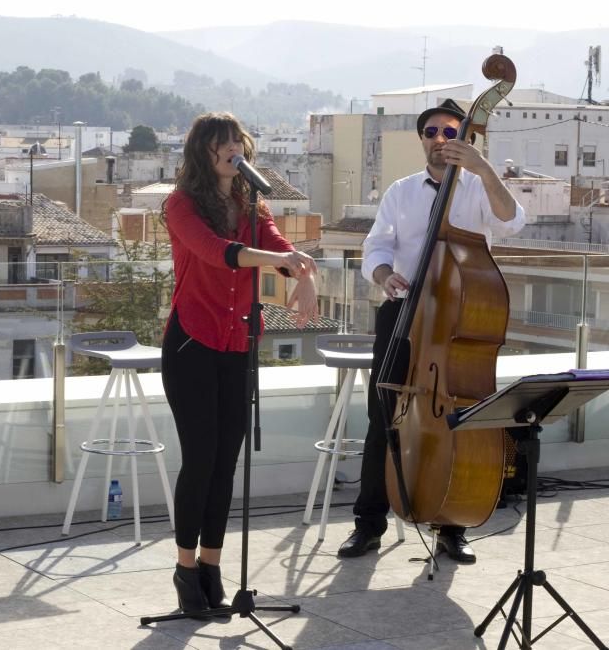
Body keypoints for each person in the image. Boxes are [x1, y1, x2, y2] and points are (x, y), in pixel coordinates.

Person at [338, 98, 526, 563]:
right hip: (402, 316)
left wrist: (483, 168)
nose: (441, 140)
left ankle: (450, 527)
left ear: (466, 137)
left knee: (456, 424)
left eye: (450, 132)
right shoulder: (401, 192)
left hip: (457, 326)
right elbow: (376, 249)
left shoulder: (479, 189)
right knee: (383, 420)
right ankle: (368, 525)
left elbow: (513, 220)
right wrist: (385, 277)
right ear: (421, 140)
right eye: (432, 132)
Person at [161, 112, 319, 614]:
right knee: (200, 458)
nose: (232, 149)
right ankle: (185, 571)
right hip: (191, 343)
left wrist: (304, 272)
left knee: (227, 462)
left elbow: (277, 248)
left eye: (237, 142)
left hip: (236, 343)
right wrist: (286, 264)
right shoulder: (180, 204)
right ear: (202, 153)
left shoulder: (251, 203)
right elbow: (217, 253)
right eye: (220, 143)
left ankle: (212, 567)